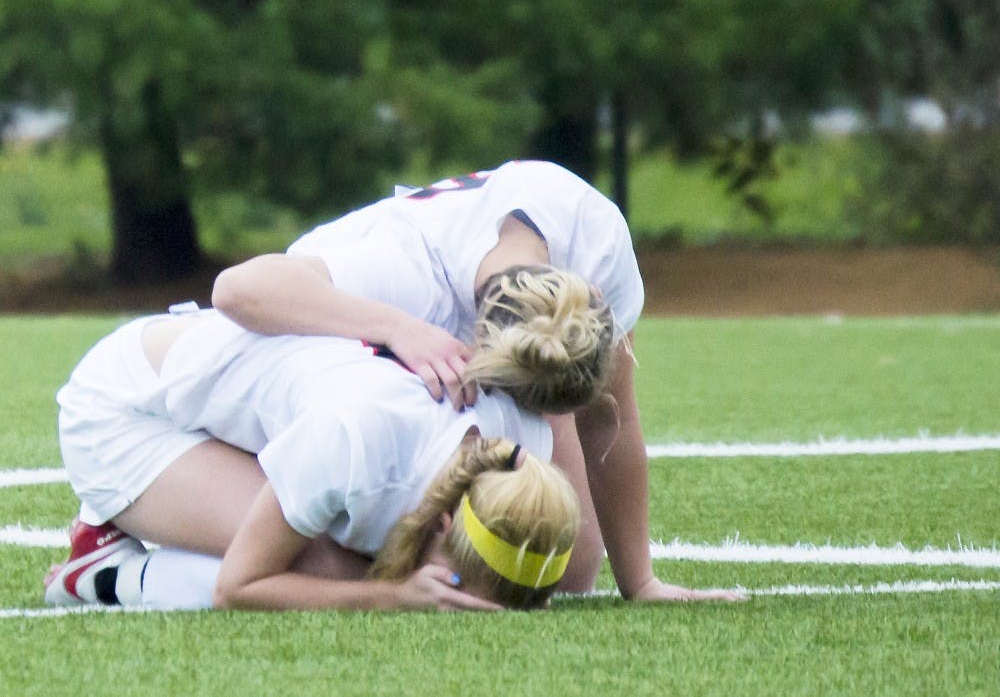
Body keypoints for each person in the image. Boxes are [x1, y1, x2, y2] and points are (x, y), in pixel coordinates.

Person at [211, 159, 742, 602]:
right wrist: (399, 329)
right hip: (322, 343)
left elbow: (609, 420)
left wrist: (641, 582)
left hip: (481, 336)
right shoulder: (408, 272)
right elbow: (237, 290)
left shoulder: (600, 249)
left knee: (567, 568)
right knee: (343, 558)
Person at [44, 307, 580, 611]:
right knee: (339, 573)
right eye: (460, 581)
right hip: (124, 410)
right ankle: (105, 571)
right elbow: (240, 588)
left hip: (217, 388)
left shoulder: (525, 446)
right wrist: (388, 597)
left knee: (364, 562)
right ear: (445, 520)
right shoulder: (355, 441)